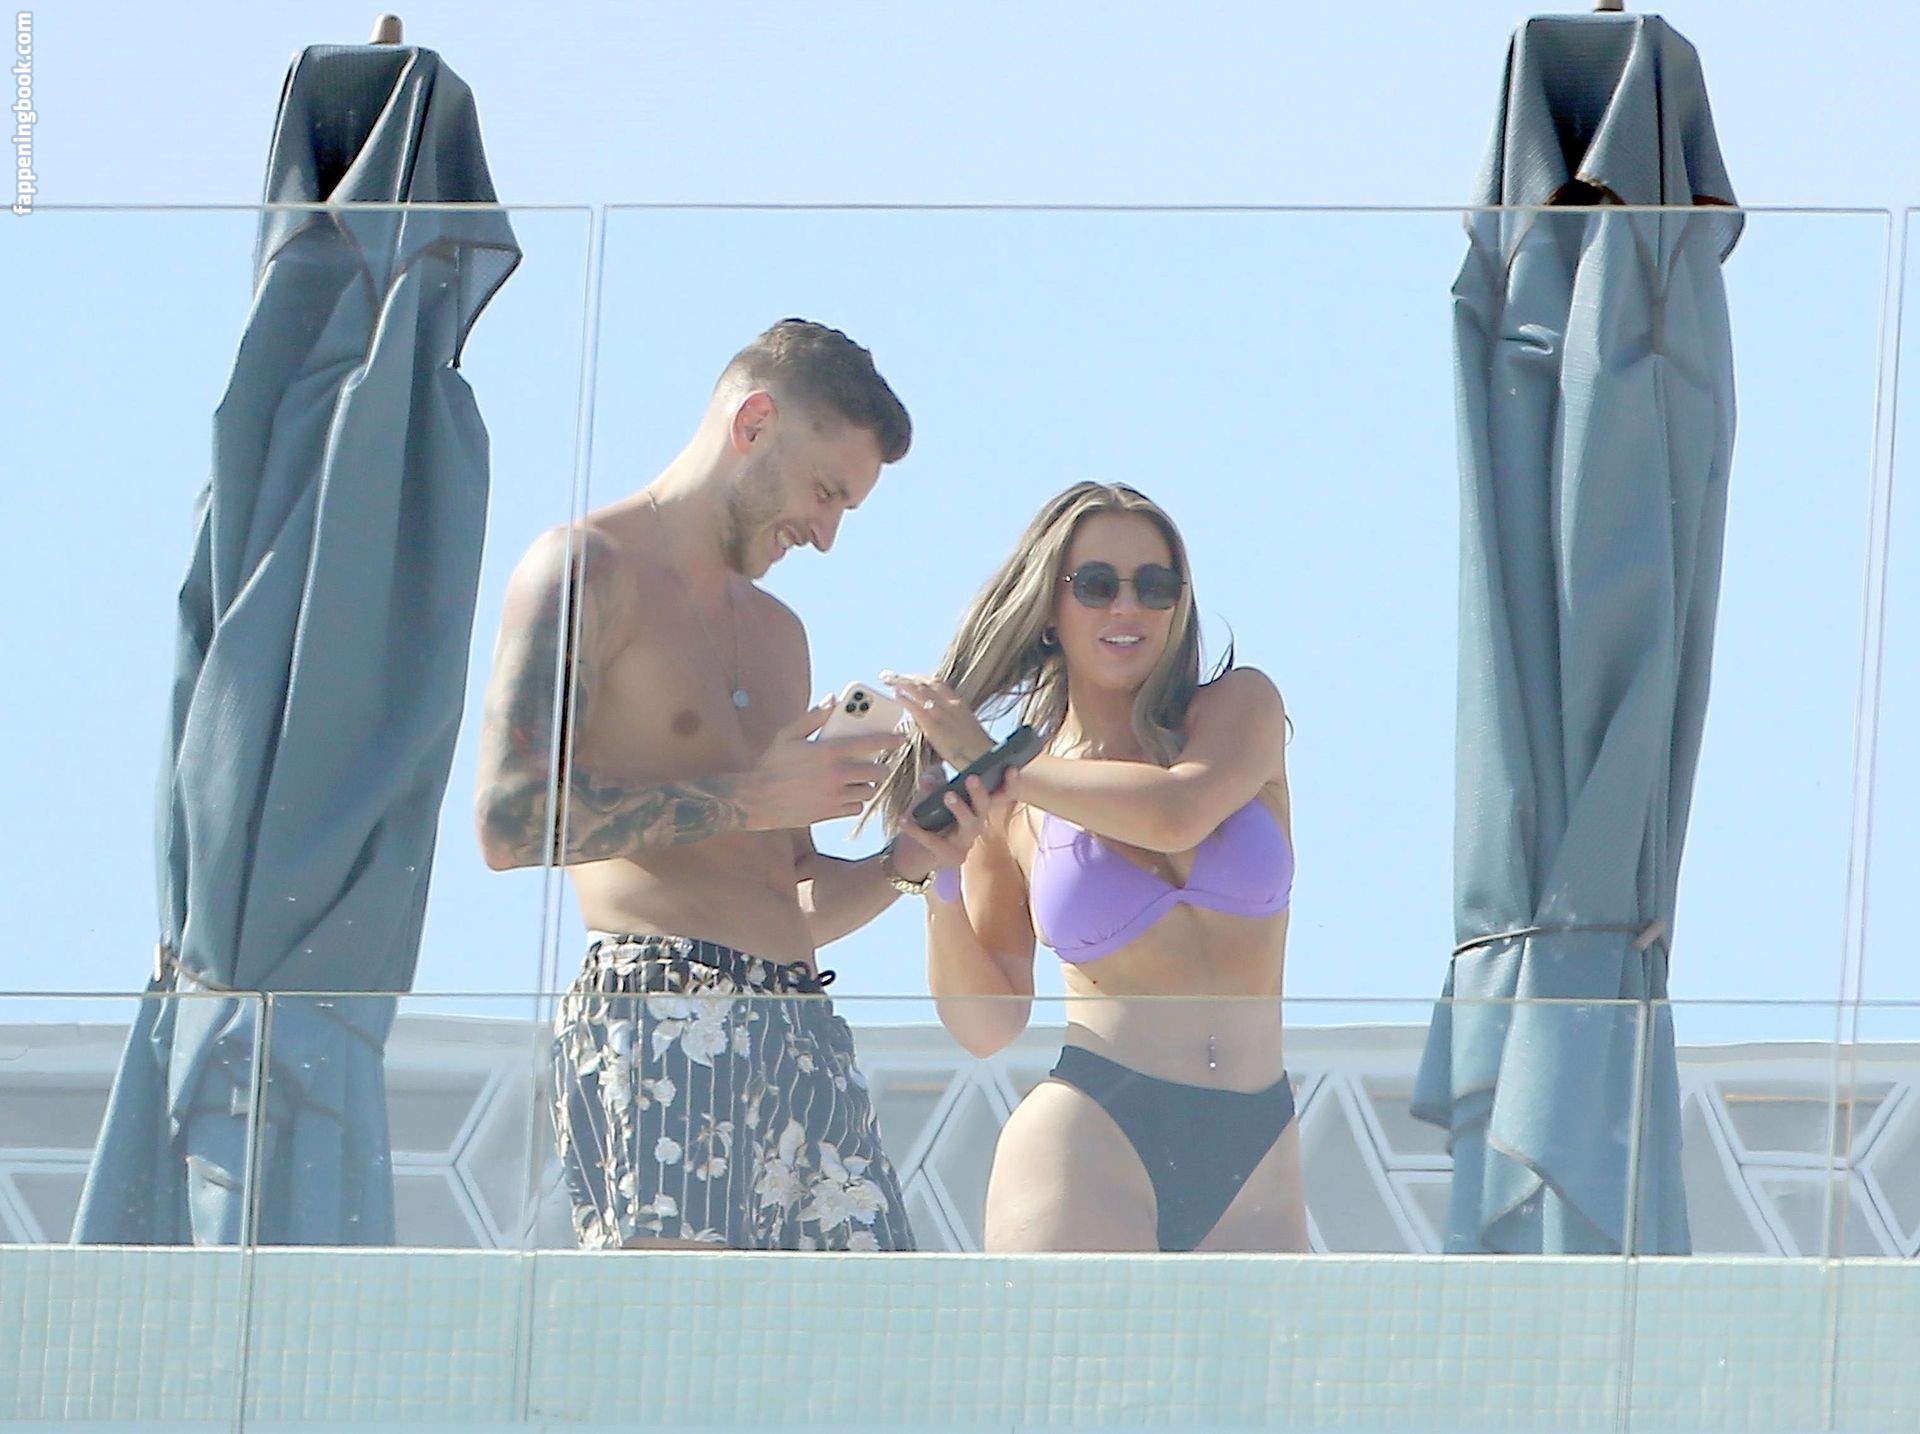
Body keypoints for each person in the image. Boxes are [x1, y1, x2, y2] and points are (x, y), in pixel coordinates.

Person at [472, 320, 1001, 1251]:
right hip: (657, 1005)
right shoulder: (587, 568)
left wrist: (904, 863)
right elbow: (507, 823)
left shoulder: (780, 634)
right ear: (753, 423)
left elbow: (787, 894)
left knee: (870, 1328)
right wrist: (750, 797)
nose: (826, 536)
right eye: (825, 493)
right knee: (676, 1330)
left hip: (798, 1021)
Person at [878, 481, 1305, 1252]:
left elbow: (1178, 810)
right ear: (1051, 609)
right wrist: (939, 883)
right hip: (1093, 1131)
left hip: (1260, 1140)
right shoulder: (1009, 805)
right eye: (1098, 585)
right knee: (1076, 1343)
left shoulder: (1237, 709)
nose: (1128, 607)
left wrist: (995, 762)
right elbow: (989, 1024)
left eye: (1156, 585)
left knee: (1279, 1343)